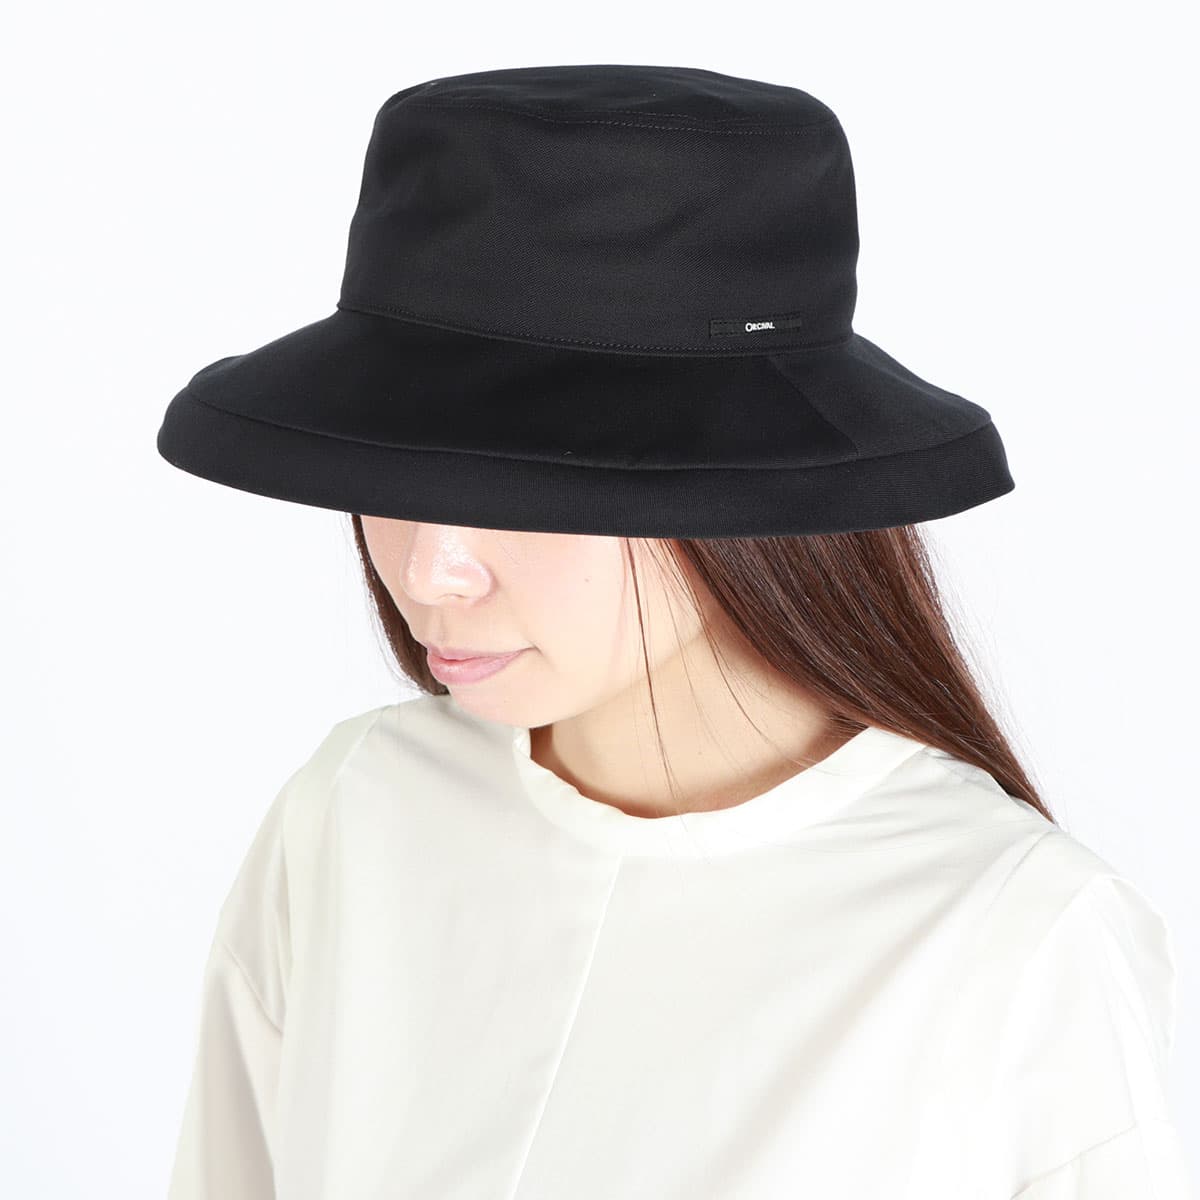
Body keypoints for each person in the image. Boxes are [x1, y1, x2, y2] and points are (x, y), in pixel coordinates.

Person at [157, 65, 1192, 1198]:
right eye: (393, 473)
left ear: (734, 488)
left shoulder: (1018, 943)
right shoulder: (357, 816)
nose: (429, 569)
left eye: (517, 488)